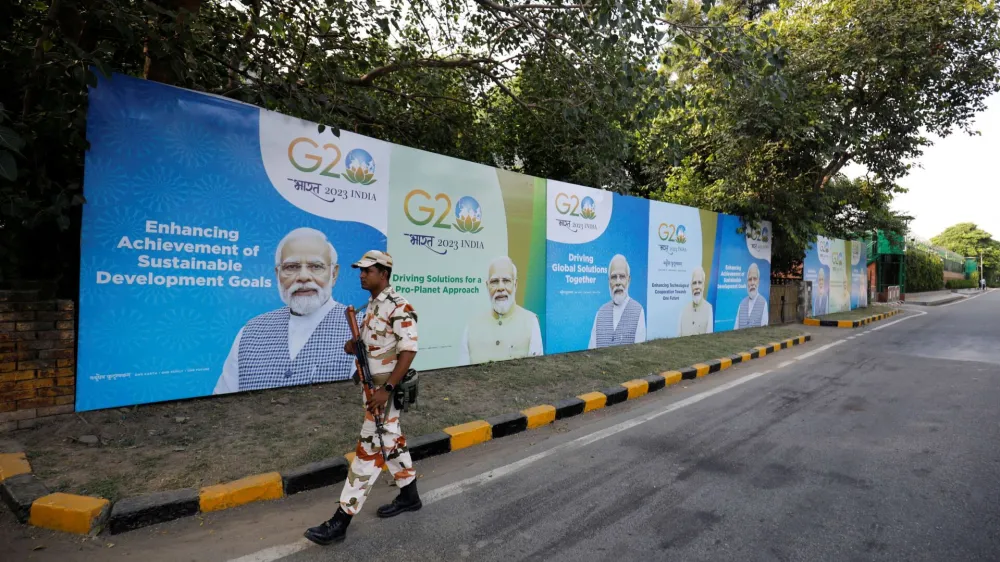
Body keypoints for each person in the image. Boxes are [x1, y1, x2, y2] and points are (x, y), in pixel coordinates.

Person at [304, 250, 421, 546]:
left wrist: (388, 390)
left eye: (367, 270)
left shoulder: (399, 306)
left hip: (386, 393)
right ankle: (410, 496)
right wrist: (353, 346)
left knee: (369, 452)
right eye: (360, 270)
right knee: (392, 441)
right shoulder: (370, 306)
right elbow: (371, 343)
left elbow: (408, 351)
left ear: (384, 274)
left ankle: (340, 521)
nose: (361, 274)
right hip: (372, 390)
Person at [213, 227, 350, 395]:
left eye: (316, 266)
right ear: (278, 274)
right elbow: (223, 400)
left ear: (333, 274)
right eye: (291, 267)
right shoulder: (250, 332)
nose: (303, 277)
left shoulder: (361, 329)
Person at [458, 256, 543, 365]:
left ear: (515, 285)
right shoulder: (471, 327)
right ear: (487, 286)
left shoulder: (531, 322)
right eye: (494, 281)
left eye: (506, 280)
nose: (500, 288)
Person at [589, 254, 646, 348]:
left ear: (629, 280)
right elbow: (591, 349)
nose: (618, 282)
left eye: (622, 276)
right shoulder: (600, 312)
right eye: (614, 277)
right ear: (609, 282)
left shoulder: (638, 311)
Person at [678, 266, 714, 336]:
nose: (697, 287)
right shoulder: (683, 311)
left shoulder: (709, 308)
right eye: (694, 283)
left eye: (699, 282)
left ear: (703, 286)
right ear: (691, 286)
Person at [734, 263, 768, 329]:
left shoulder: (763, 303)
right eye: (750, 279)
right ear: (747, 283)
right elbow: (735, 328)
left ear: (758, 282)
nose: (752, 283)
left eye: (755, 279)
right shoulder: (741, 304)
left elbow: (764, 330)